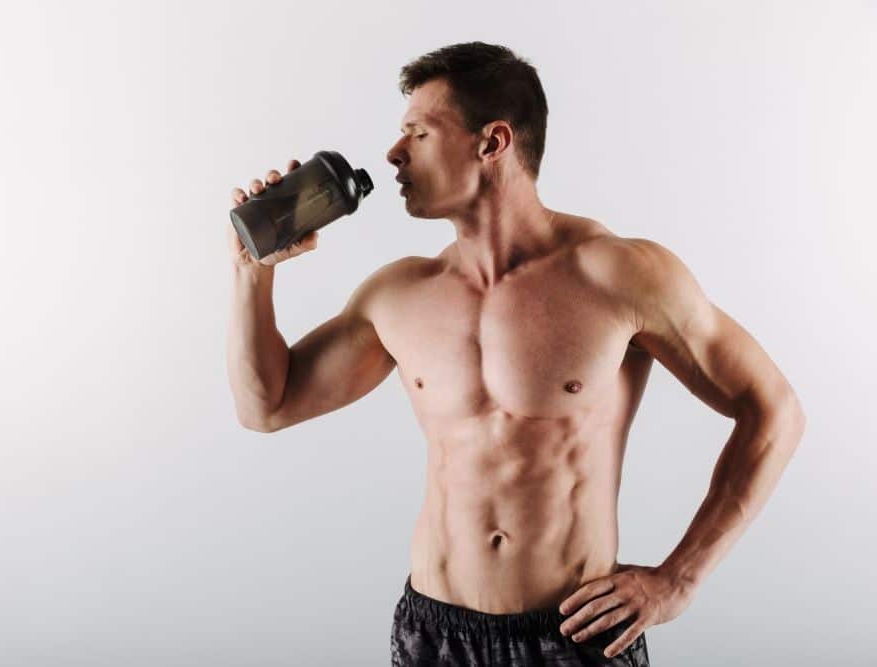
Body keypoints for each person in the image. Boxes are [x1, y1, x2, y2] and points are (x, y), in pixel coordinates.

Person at [226, 41, 806, 666]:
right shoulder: (398, 294)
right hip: (435, 635)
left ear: (493, 142)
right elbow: (268, 406)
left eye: (418, 134)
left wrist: (678, 581)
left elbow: (773, 409)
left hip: (576, 633)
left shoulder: (620, 275)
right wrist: (251, 273)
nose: (394, 154)